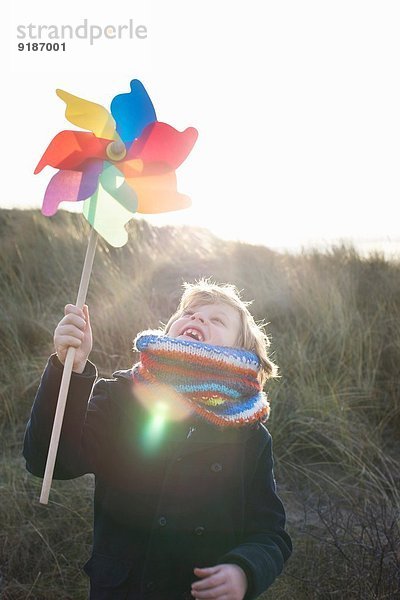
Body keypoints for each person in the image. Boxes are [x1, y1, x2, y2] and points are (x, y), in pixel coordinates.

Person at [23, 280, 292, 600]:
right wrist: (70, 368)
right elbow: (48, 461)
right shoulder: (122, 397)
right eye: (188, 312)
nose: (197, 319)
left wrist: (245, 570)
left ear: (240, 352)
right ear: (169, 329)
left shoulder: (248, 435)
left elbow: (269, 533)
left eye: (216, 319)